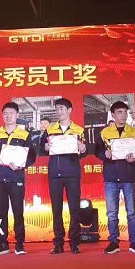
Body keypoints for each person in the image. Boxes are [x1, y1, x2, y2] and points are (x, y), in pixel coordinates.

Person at [95, 101, 135, 254]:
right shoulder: (105, 133)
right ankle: (113, 243)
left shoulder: (134, 132)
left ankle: (134, 242)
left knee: (131, 212)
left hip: (129, 177)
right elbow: (97, 151)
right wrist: (104, 154)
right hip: (111, 178)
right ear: (113, 114)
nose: (123, 115)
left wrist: (134, 160)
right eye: (119, 112)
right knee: (111, 213)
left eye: (125, 112)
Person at [0, 102, 37, 255]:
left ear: (17, 115)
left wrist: (21, 165)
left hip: (16, 177)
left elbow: (32, 157)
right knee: (1, 212)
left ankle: (20, 244)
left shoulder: (25, 135)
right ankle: (2, 243)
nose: (8, 116)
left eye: (11, 113)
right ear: (2, 116)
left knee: (18, 211)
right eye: (5, 113)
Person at [39, 98, 87, 254]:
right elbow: (41, 148)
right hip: (55, 173)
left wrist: (83, 148)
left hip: (72, 173)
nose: (59, 112)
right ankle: (58, 243)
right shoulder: (50, 129)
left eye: (62, 109)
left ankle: (74, 242)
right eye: (57, 109)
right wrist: (46, 147)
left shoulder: (79, 130)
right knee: (56, 209)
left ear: (69, 110)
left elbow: (84, 151)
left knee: (74, 209)